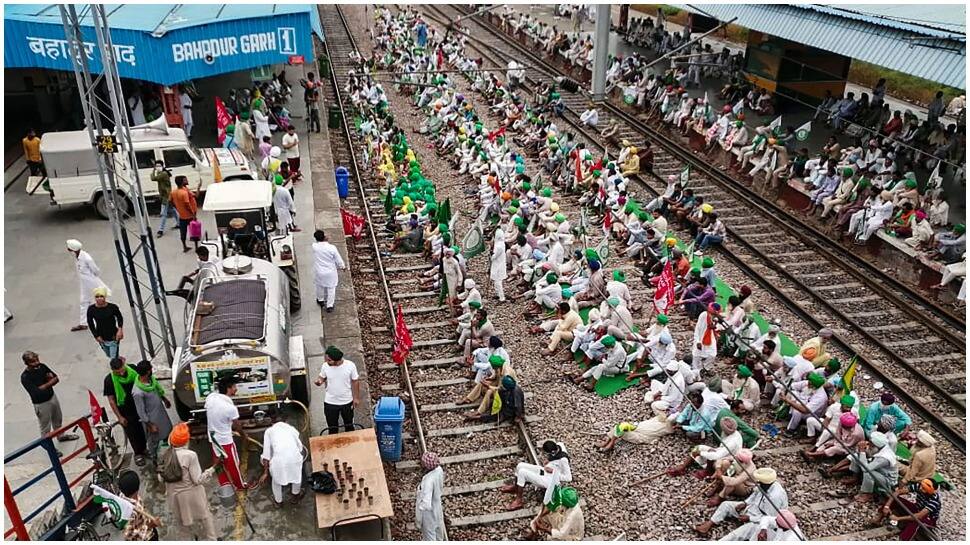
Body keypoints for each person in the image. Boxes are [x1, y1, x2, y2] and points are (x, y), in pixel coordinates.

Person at [694, 467, 788, 536]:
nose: (758, 484)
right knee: (726, 505)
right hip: (753, 508)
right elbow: (754, 495)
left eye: (760, 483)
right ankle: (708, 525)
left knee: (741, 532)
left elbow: (769, 518)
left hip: (762, 520)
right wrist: (745, 503)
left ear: (766, 483)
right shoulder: (764, 485)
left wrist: (749, 518)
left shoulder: (775, 497)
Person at [165, 423, 218, 541]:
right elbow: (198, 479)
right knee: (205, 519)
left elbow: (161, 477)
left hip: (174, 497)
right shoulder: (190, 455)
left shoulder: (166, 454)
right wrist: (211, 470)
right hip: (192, 495)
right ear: (186, 440)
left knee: (183, 528)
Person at [204, 375, 251, 490]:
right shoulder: (230, 408)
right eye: (235, 386)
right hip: (225, 441)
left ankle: (224, 485)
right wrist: (244, 436)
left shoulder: (211, 397)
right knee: (234, 464)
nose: (236, 389)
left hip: (213, 438)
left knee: (219, 463)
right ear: (229, 388)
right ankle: (240, 485)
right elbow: (237, 426)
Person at [21, 351, 78, 443]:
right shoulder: (25, 377)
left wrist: (45, 385)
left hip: (52, 397)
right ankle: (49, 445)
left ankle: (61, 435)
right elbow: (37, 392)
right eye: (33, 362)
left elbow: (56, 378)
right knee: (45, 427)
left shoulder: (42, 366)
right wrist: (49, 382)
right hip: (41, 404)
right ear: (26, 363)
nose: (36, 363)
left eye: (37, 360)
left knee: (57, 419)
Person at [502, 440, 572, 510]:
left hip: (550, 480)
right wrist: (549, 460)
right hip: (544, 471)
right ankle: (516, 487)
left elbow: (568, 478)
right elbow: (556, 454)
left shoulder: (563, 460)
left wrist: (553, 471)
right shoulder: (559, 445)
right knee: (520, 466)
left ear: (553, 452)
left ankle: (519, 501)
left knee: (522, 472)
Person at [104, 358, 148, 466]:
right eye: (117, 372)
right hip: (125, 411)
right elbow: (111, 400)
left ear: (124, 364)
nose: (121, 373)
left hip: (139, 406)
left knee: (143, 429)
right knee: (132, 433)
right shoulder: (109, 380)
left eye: (121, 369)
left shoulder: (133, 369)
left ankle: (145, 448)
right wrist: (119, 417)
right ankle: (138, 453)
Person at [871, 479, 941, 540]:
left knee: (917, 521)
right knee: (897, 500)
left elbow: (919, 516)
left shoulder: (934, 501)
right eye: (921, 486)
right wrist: (887, 506)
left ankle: (904, 539)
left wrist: (898, 518)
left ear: (929, 491)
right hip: (917, 508)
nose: (920, 488)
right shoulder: (919, 486)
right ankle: (878, 519)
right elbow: (898, 492)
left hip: (928, 518)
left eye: (923, 488)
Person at [131, 360, 172, 463]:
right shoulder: (138, 392)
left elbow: (157, 390)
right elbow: (141, 411)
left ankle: (170, 455)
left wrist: (164, 399)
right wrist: (150, 425)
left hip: (161, 413)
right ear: (148, 371)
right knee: (154, 441)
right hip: (152, 420)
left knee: (168, 433)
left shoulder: (151, 381)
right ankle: (155, 460)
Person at [258, 418, 306, 505]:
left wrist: (265, 473)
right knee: (297, 476)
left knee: (276, 481)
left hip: (279, 462)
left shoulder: (269, 431)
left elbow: (266, 455)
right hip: (294, 459)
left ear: (272, 423)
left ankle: (278, 501)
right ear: (285, 422)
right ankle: (295, 496)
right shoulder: (291, 428)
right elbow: (300, 447)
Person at [314, 346, 360, 434]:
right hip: (330, 402)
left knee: (349, 426)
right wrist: (319, 381)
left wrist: (356, 398)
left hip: (346, 402)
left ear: (337, 360)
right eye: (326, 359)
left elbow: (355, 382)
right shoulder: (325, 366)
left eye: (329, 360)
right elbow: (322, 377)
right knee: (332, 428)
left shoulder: (350, 366)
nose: (327, 362)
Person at [597, 400, 673, 452]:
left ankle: (610, 443)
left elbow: (671, 420)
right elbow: (655, 405)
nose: (665, 413)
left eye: (667, 412)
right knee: (620, 426)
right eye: (665, 411)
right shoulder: (658, 418)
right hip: (637, 427)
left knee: (621, 427)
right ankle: (609, 442)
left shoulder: (667, 427)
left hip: (642, 436)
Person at [67, 239, 108, 332]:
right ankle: (83, 323)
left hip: (91, 281)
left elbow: (95, 270)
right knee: (84, 301)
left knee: (99, 299)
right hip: (84, 282)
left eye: (70, 250)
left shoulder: (86, 258)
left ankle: (104, 318)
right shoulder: (77, 257)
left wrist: (92, 278)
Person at [118, 470, 161, 541]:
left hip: (144, 523)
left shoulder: (122, 495)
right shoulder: (131, 511)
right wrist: (150, 526)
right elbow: (128, 535)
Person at [312, 230, 346, 312]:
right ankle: (329, 306)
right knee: (331, 288)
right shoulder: (332, 248)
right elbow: (338, 259)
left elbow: (318, 243)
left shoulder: (314, 246)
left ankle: (320, 300)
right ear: (324, 237)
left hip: (319, 271)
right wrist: (342, 266)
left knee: (319, 286)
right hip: (330, 272)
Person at [87, 287, 124, 360]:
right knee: (108, 354)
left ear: (105, 297)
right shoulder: (91, 309)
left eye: (101, 296)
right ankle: (119, 360)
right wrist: (96, 336)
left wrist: (120, 330)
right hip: (101, 337)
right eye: (97, 297)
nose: (99, 298)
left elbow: (120, 318)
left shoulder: (112, 307)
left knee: (113, 358)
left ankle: (117, 364)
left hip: (113, 336)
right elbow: (90, 323)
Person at [415, 451, 445, 540]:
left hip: (429, 513)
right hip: (437, 506)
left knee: (430, 535)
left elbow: (426, 504)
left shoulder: (428, 481)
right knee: (439, 531)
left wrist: (419, 514)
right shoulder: (439, 470)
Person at [170, 176, 198, 253]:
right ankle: (196, 247)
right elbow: (187, 204)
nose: (187, 180)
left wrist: (177, 207)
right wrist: (193, 214)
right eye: (185, 180)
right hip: (189, 216)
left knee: (183, 232)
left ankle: (184, 247)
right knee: (194, 231)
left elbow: (170, 201)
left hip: (182, 216)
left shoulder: (173, 192)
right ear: (182, 182)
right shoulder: (184, 193)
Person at [152, 160, 177, 237]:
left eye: (159, 166)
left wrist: (153, 170)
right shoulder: (162, 173)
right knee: (172, 210)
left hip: (166, 197)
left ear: (162, 166)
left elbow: (153, 178)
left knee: (163, 214)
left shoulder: (163, 174)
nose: (158, 167)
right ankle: (179, 223)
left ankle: (161, 230)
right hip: (165, 196)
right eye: (157, 166)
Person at [490, 226, 508, 302]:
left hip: (498, 265)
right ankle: (497, 294)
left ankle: (501, 297)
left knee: (498, 281)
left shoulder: (498, 246)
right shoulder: (501, 243)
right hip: (499, 263)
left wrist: (491, 255)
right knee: (496, 281)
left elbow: (494, 256)